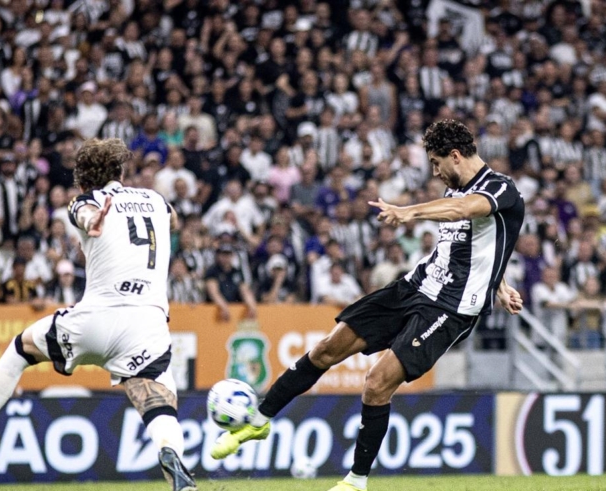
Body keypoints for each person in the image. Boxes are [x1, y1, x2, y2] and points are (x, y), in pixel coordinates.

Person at [209, 120, 525, 491]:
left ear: (455, 156)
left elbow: (467, 210)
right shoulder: (451, 191)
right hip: (415, 286)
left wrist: (409, 212)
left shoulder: (499, 187)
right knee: (326, 349)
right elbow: (479, 245)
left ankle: (355, 481)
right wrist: (500, 284)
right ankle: (259, 420)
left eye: (437, 163)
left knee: (376, 383)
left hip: (450, 308)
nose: (435, 171)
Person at [0, 138, 197, 491]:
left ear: (82, 179)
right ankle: (171, 456)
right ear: (120, 171)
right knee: (158, 402)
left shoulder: (87, 200)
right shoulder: (156, 200)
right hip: (148, 324)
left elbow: (83, 213)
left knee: (19, 350)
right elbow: (173, 220)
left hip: (96, 318)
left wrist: (93, 220)